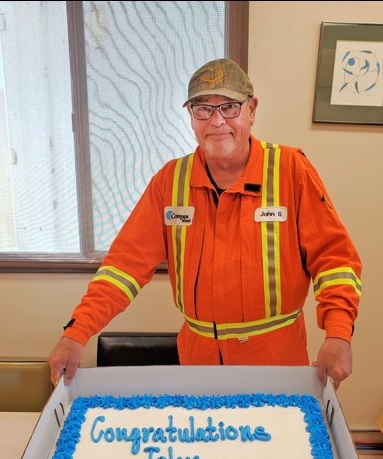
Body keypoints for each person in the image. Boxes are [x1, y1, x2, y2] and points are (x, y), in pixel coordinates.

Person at [48, 58, 362, 390]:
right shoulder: (170, 182)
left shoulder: (290, 171)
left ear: (251, 110)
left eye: (229, 107)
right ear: (191, 116)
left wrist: (339, 333)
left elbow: (335, 261)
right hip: (198, 363)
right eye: (202, 109)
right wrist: (77, 332)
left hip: (277, 361)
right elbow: (123, 268)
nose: (216, 122)